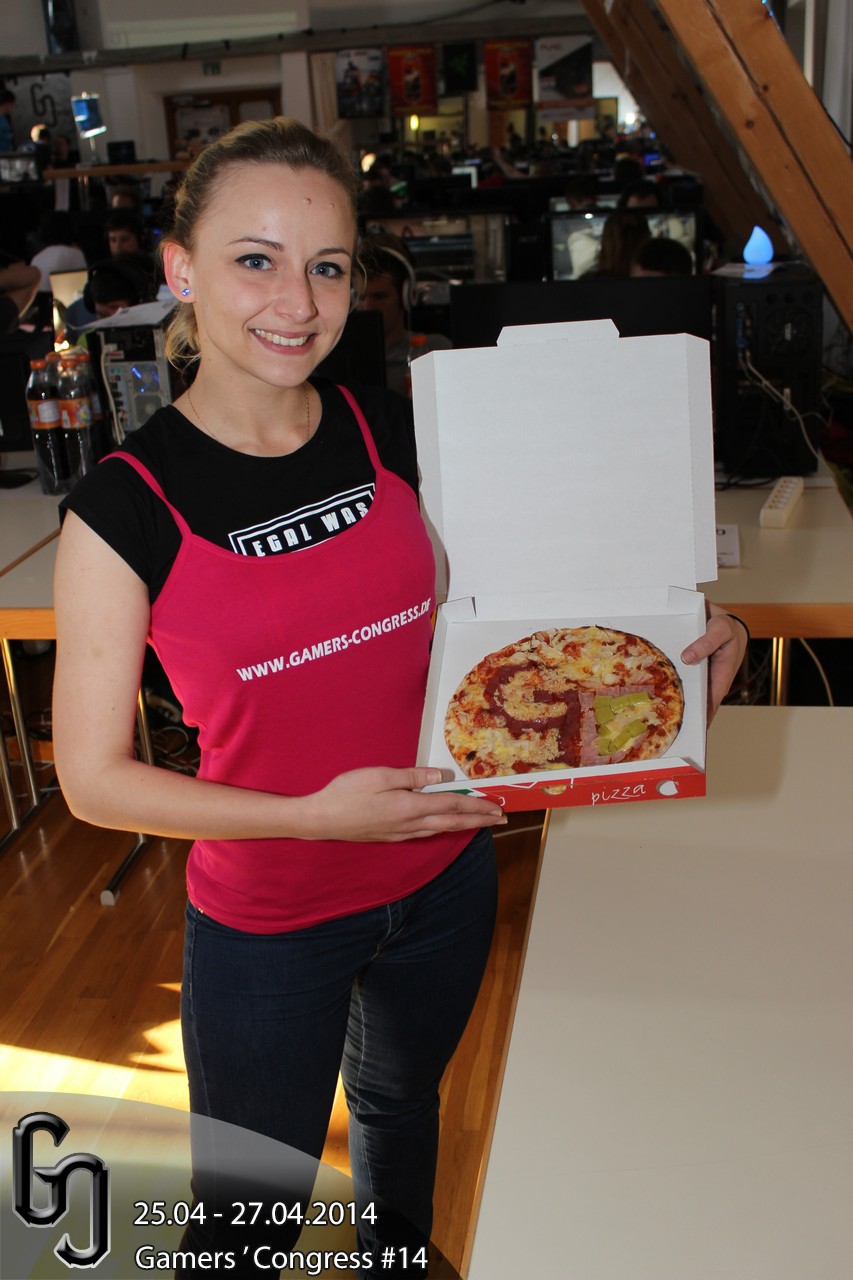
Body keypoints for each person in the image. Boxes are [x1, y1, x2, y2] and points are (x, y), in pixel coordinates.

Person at [52, 116, 747, 1274]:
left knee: (399, 1112)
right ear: (182, 270)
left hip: (443, 877)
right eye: (255, 259)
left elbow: (517, 623)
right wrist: (310, 816)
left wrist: (669, 669)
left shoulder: (400, 429)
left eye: (327, 265)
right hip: (272, 916)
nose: (297, 301)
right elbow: (90, 780)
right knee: (248, 1217)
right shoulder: (122, 506)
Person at [358, 232, 451, 396]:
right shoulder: (333, 357)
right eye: (361, 297)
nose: (368, 306)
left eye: (380, 296)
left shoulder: (435, 351)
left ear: (407, 296)